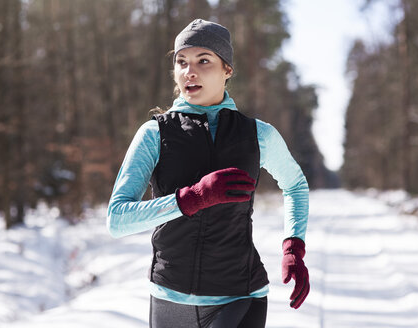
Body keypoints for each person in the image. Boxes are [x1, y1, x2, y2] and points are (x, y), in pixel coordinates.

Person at [107, 18, 310, 328]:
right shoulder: (155, 134)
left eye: (204, 61)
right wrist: (192, 198)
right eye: (182, 61)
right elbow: (118, 219)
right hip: (170, 297)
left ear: (226, 69)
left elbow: (295, 185)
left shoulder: (257, 134)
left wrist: (293, 245)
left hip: (240, 295)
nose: (190, 71)